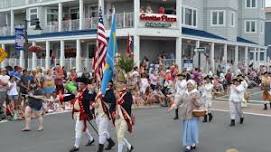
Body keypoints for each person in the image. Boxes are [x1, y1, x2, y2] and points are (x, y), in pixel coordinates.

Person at [57, 77, 95, 152]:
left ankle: (76, 146)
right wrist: (60, 99)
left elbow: (88, 99)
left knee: (77, 129)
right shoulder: (79, 91)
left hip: (83, 113)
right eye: (79, 84)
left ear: (85, 85)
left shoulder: (87, 92)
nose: (79, 85)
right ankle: (91, 139)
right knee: (83, 128)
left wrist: (79, 95)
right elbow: (71, 96)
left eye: (81, 84)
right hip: (77, 113)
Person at [168, 79, 201, 152]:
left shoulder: (196, 93)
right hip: (185, 114)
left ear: (193, 85)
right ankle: (188, 144)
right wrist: (173, 105)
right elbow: (178, 100)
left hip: (193, 114)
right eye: (188, 84)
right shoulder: (184, 93)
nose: (189, 86)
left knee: (192, 130)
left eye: (190, 85)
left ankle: (192, 143)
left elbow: (199, 104)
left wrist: (195, 100)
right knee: (186, 130)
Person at [108, 83, 134, 152]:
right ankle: (129, 146)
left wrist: (119, 99)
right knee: (119, 135)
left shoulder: (128, 95)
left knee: (120, 135)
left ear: (124, 86)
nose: (118, 86)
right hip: (117, 118)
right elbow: (111, 107)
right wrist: (113, 113)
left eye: (120, 84)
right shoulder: (116, 94)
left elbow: (128, 106)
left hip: (125, 118)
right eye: (118, 85)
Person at [92, 80, 115, 152]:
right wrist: (93, 105)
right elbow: (94, 100)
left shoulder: (110, 92)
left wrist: (102, 95)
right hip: (97, 113)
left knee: (102, 131)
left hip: (104, 114)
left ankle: (100, 149)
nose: (108, 85)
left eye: (109, 84)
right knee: (102, 131)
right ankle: (111, 142)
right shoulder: (99, 91)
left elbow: (110, 100)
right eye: (106, 83)